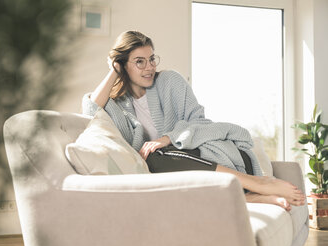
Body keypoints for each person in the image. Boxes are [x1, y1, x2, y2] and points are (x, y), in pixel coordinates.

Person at [82, 30, 305, 211]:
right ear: (123, 65)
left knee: (155, 156)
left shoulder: (170, 81)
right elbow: (91, 109)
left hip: (216, 158)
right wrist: (113, 70)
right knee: (153, 161)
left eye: (151, 59)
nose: (150, 67)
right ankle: (251, 197)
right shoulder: (120, 105)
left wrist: (167, 138)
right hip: (173, 169)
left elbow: (200, 123)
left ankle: (256, 183)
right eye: (139, 62)